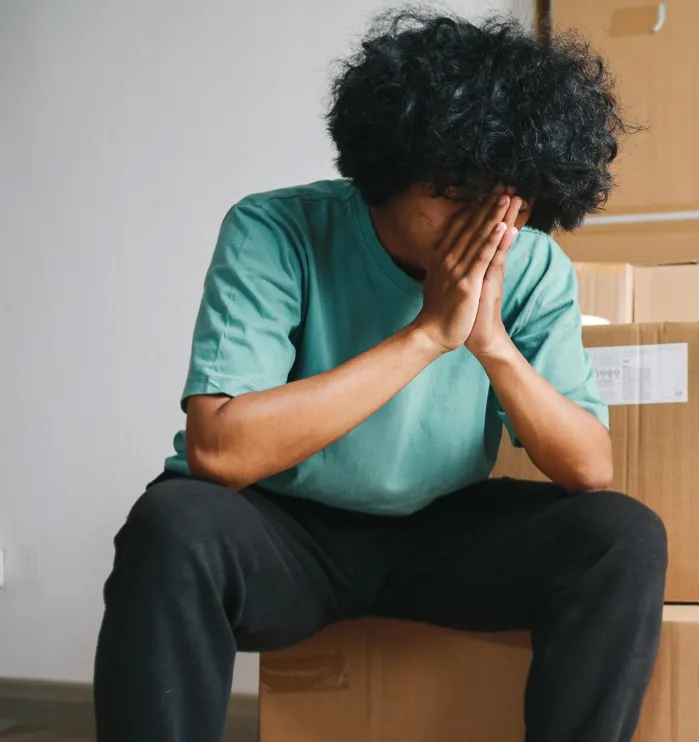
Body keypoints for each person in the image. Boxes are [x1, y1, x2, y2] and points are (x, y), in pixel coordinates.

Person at [92, 10, 665, 742]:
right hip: (286, 526)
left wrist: (489, 341)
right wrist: (428, 334)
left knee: (623, 536)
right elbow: (220, 452)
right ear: (388, 173)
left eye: (506, 199)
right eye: (458, 192)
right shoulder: (275, 231)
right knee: (172, 524)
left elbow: (589, 467)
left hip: (439, 533)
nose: (486, 225)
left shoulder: (531, 265)